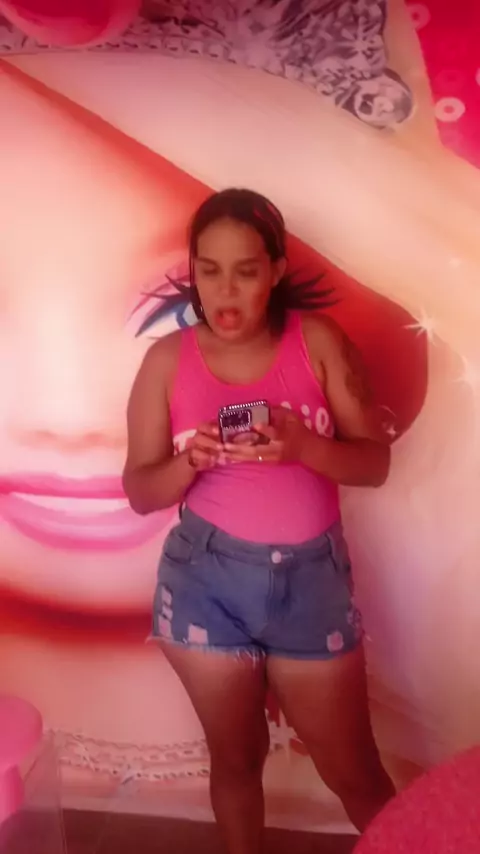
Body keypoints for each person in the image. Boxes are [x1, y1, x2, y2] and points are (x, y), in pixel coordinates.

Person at [123, 187, 397, 853]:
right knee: (238, 761)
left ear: (275, 270)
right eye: (209, 270)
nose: (225, 292)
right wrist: (189, 463)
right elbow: (140, 491)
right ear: (193, 269)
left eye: (246, 271)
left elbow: (375, 464)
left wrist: (304, 448)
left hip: (310, 583)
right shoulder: (166, 361)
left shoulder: (318, 342)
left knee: (354, 773)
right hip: (205, 583)